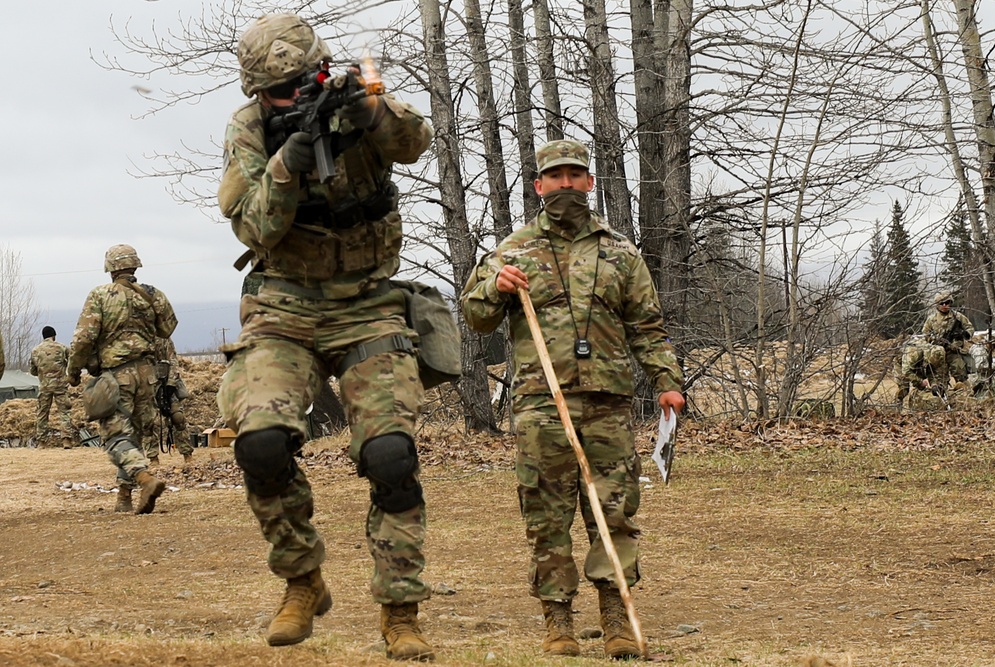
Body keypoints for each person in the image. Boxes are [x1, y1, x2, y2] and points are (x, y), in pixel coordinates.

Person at [216, 14, 435, 658]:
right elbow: (251, 228)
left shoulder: (355, 99)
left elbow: (414, 140)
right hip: (283, 304)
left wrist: (369, 115)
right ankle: (302, 579)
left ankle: (401, 610)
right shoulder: (249, 129)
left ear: (318, 69)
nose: (286, 100)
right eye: (272, 93)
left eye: (296, 87)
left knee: (391, 458)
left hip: (368, 302)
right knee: (259, 445)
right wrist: (287, 162)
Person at [460, 138, 685, 659]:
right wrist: (495, 287)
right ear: (539, 186)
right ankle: (557, 618)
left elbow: (647, 328)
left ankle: (615, 614)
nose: (566, 185)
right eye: (555, 177)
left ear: (589, 182)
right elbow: (475, 318)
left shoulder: (620, 253)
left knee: (614, 509)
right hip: (543, 404)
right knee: (546, 510)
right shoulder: (511, 252)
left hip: (608, 404)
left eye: (574, 176)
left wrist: (666, 381)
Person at [66, 244, 177, 514]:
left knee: (116, 436)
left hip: (117, 375)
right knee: (135, 435)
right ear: (135, 265)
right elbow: (168, 327)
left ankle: (144, 479)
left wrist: (73, 369)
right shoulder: (153, 294)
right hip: (147, 374)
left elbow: (84, 338)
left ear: (110, 268)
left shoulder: (101, 295)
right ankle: (124, 498)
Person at [29, 326, 74, 448]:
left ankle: (41, 442)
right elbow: (73, 361)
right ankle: (66, 440)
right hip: (60, 385)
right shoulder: (62, 348)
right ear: (54, 335)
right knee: (64, 412)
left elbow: (33, 371)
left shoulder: (35, 350)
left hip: (45, 386)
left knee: (43, 413)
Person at [152, 336, 195, 464]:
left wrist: (171, 383)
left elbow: (173, 361)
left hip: (166, 384)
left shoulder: (163, 338)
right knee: (147, 422)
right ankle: (152, 457)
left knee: (178, 417)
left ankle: (187, 454)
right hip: (147, 386)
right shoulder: (139, 337)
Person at [922, 291, 975, 385]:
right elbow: (925, 334)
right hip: (938, 354)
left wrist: (964, 334)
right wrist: (934, 340)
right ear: (937, 305)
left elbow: (969, 328)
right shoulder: (932, 319)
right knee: (940, 380)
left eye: (947, 302)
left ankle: (967, 395)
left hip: (954, 352)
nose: (945, 305)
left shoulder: (957, 317)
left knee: (961, 376)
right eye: (942, 303)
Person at [895, 336, 946, 406]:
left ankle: (916, 405)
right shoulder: (914, 353)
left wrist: (934, 384)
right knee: (904, 388)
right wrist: (920, 381)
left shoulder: (935, 353)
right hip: (901, 364)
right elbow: (906, 372)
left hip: (917, 364)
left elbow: (931, 372)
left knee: (921, 389)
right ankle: (897, 406)